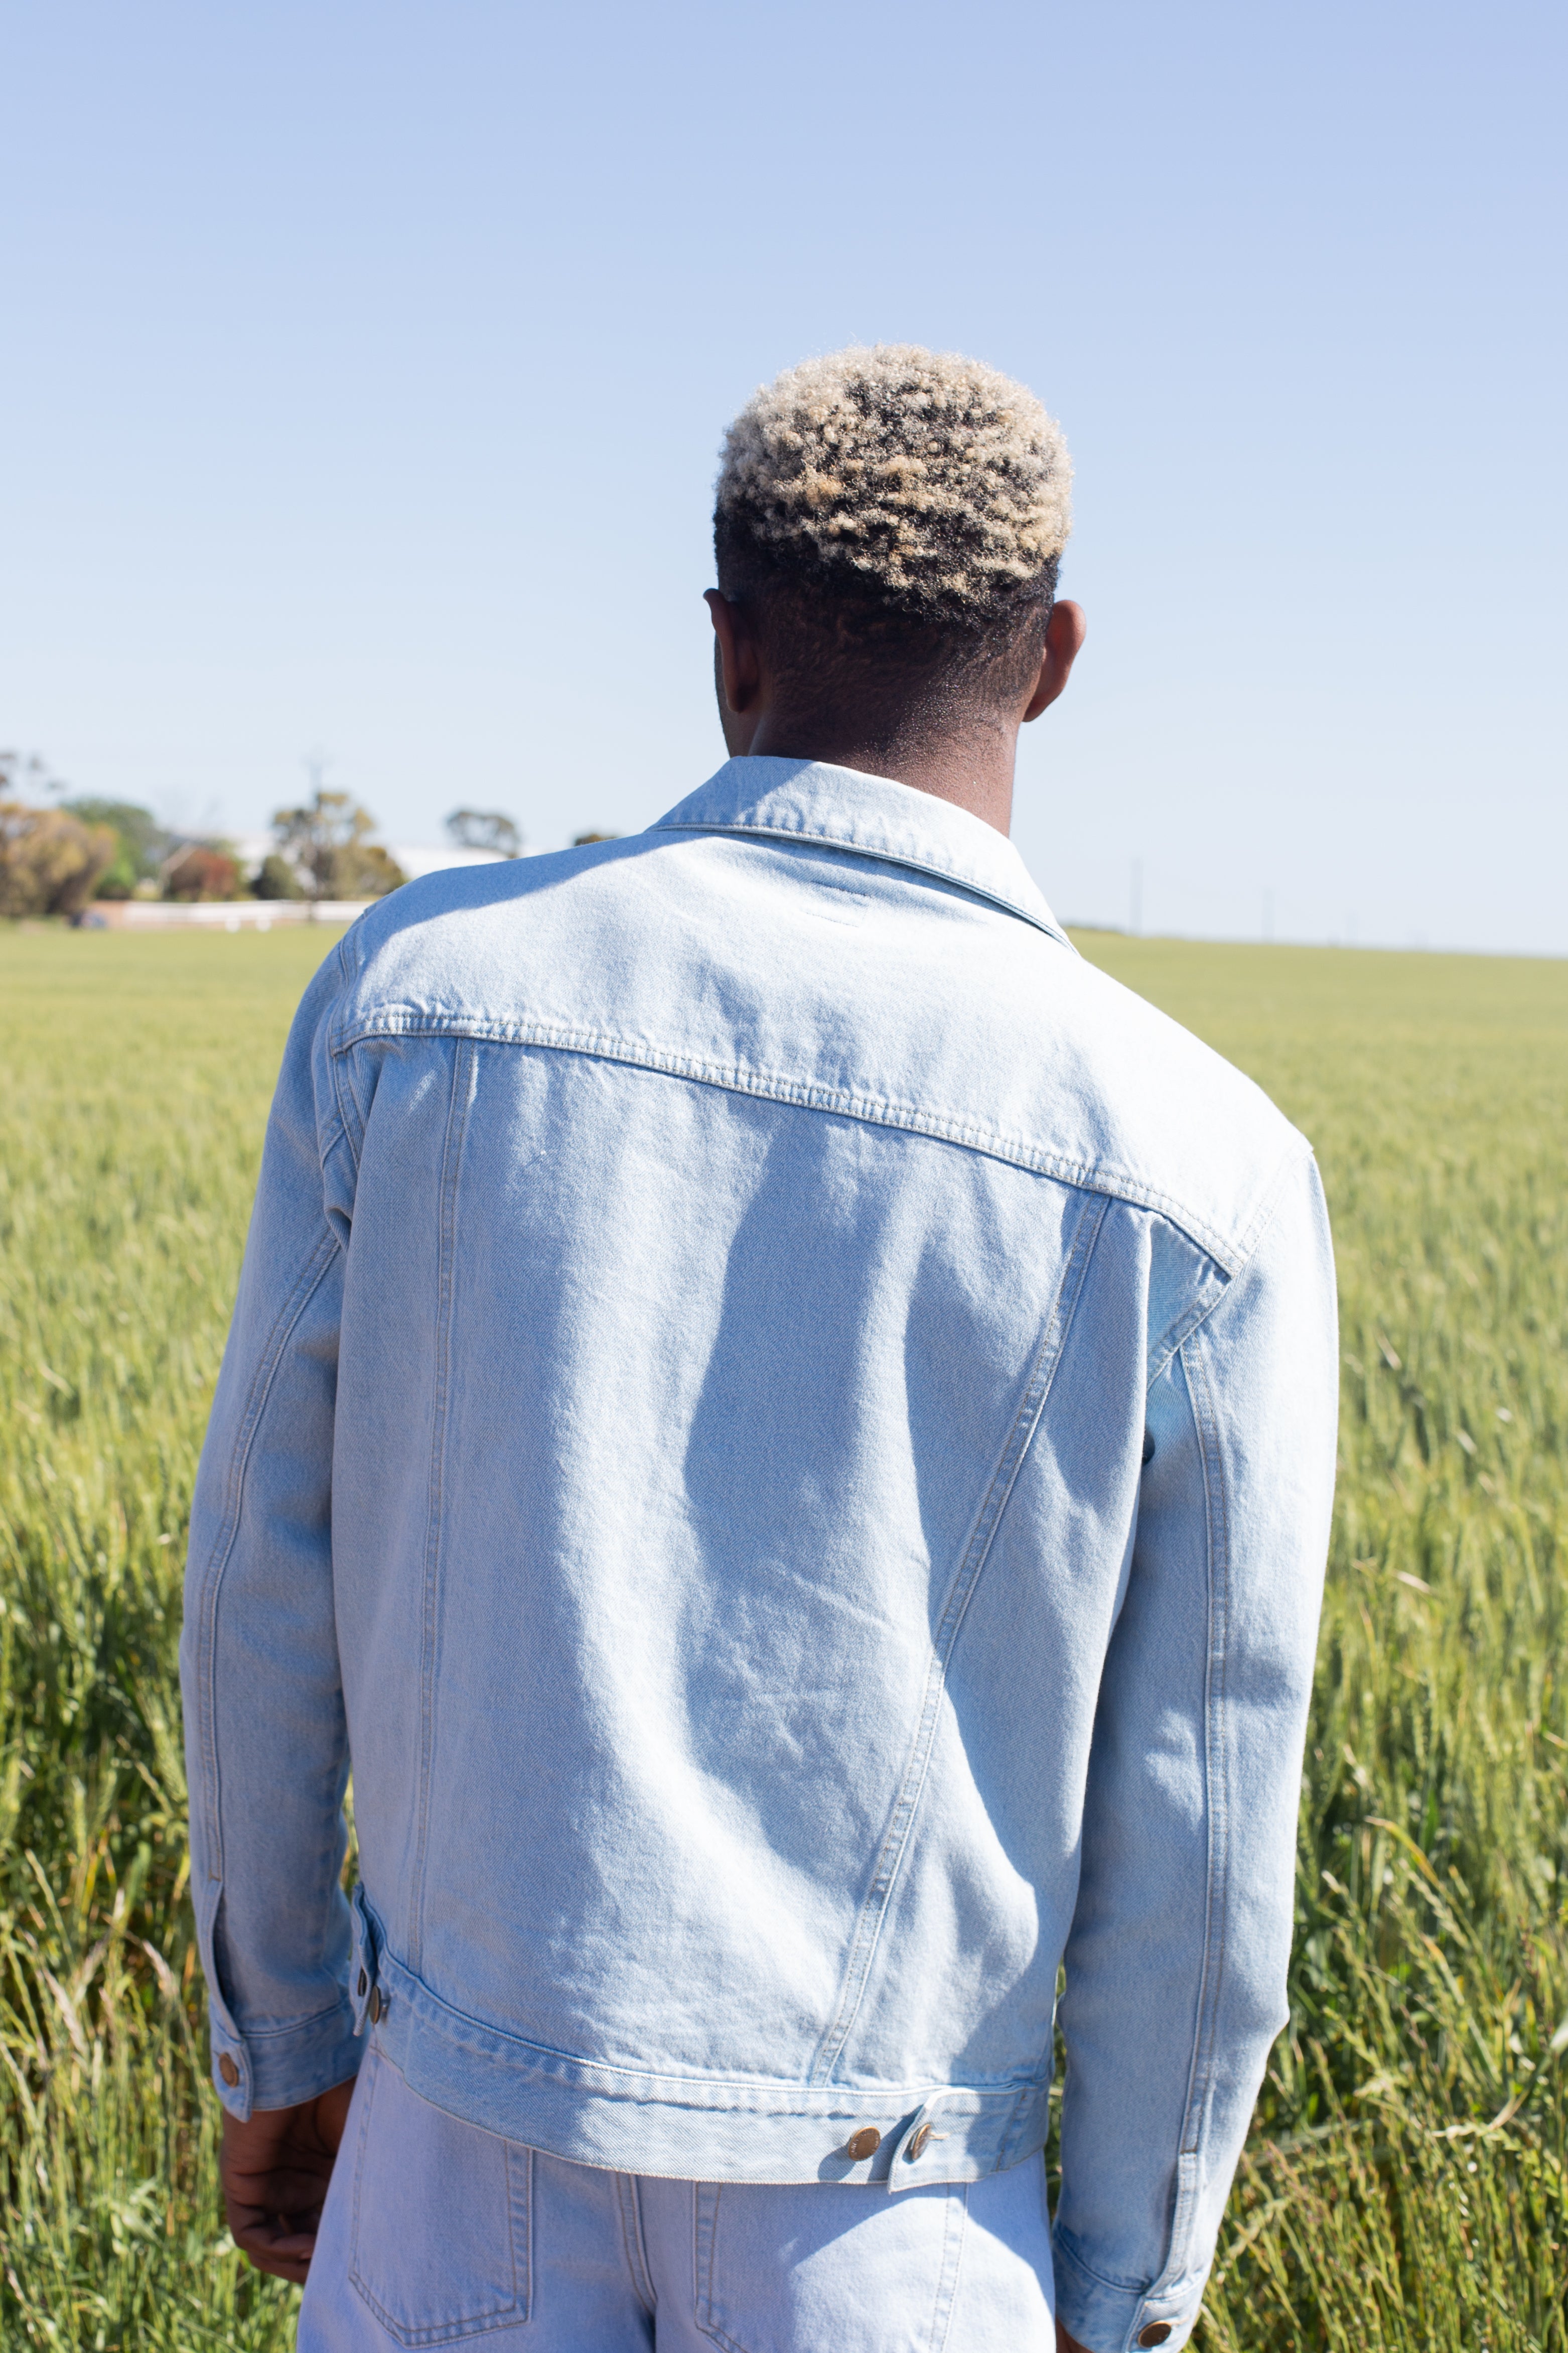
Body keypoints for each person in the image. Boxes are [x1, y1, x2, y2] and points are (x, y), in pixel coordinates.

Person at [182, 344, 1338, 2353]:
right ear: (1050, 656)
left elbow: (257, 1596)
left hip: (451, 2157)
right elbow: (1204, 1803)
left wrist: (278, 2038)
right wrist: (1127, 2283)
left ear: (724, 646)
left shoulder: (411, 998)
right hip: (897, 2216)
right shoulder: (1202, 1162)